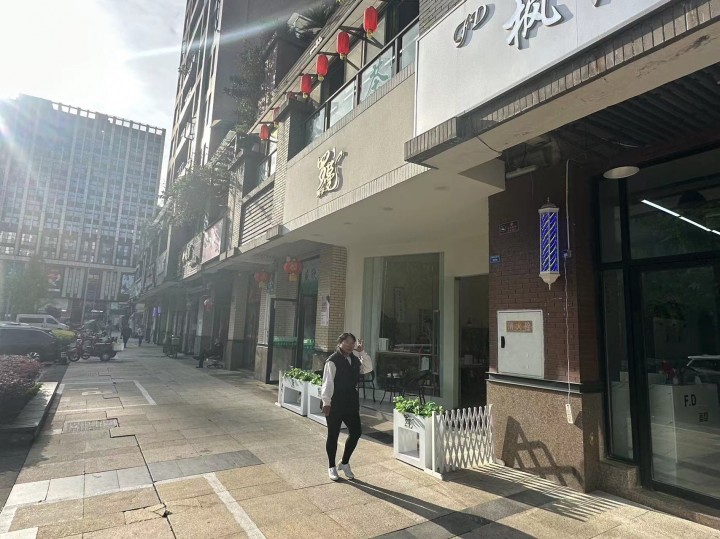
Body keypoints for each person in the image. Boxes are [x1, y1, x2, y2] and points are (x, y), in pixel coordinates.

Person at [321, 332, 373, 481]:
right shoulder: (332, 360)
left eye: (353, 343)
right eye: (347, 342)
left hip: (350, 401)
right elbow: (327, 382)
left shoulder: (355, 360)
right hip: (335, 402)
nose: (350, 345)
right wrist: (326, 402)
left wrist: (362, 352)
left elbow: (368, 368)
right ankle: (331, 466)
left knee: (356, 432)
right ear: (340, 343)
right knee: (333, 434)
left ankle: (344, 463)